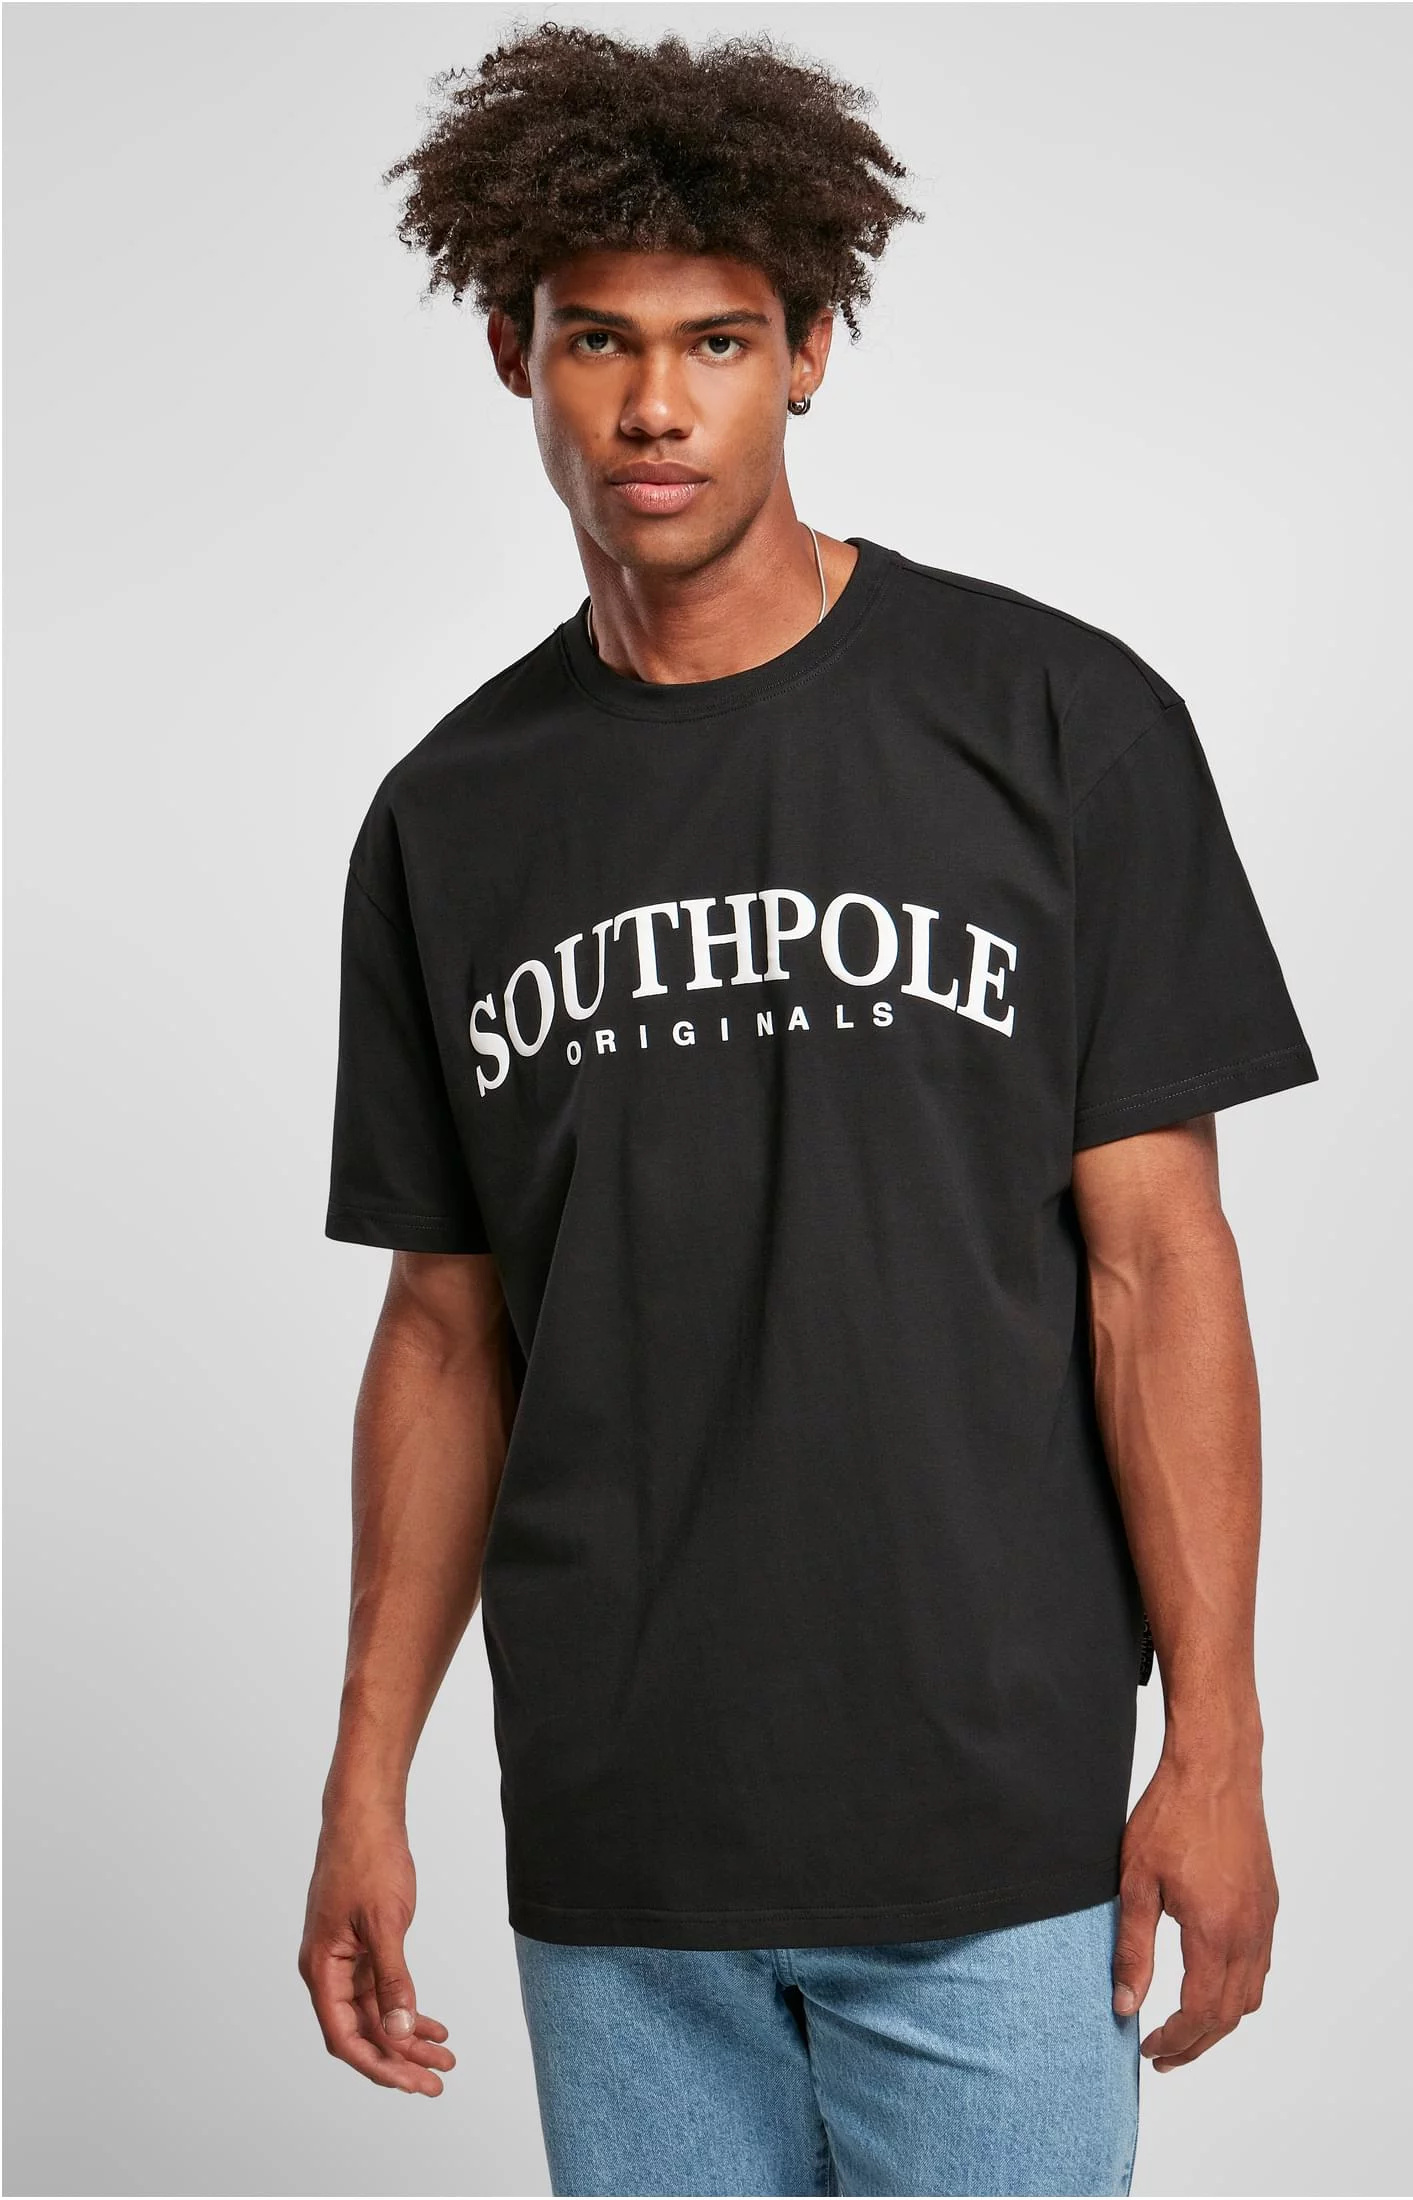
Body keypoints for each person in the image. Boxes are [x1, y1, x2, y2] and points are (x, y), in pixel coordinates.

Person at [297, 24, 1319, 2197]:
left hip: (992, 1832)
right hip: (622, 1848)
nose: (655, 407)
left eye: (719, 342)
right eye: (599, 339)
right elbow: (446, 1331)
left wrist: (1216, 1742)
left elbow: (1158, 1266)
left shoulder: (1059, 723)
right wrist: (363, 1776)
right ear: (513, 354)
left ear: (814, 350)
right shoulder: (450, 818)